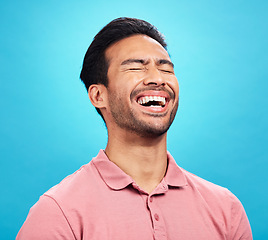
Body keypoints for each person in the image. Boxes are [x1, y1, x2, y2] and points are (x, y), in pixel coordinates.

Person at [17, 17, 252, 240]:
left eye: (166, 68)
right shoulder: (58, 212)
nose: (157, 78)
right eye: (135, 67)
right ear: (99, 95)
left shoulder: (226, 209)